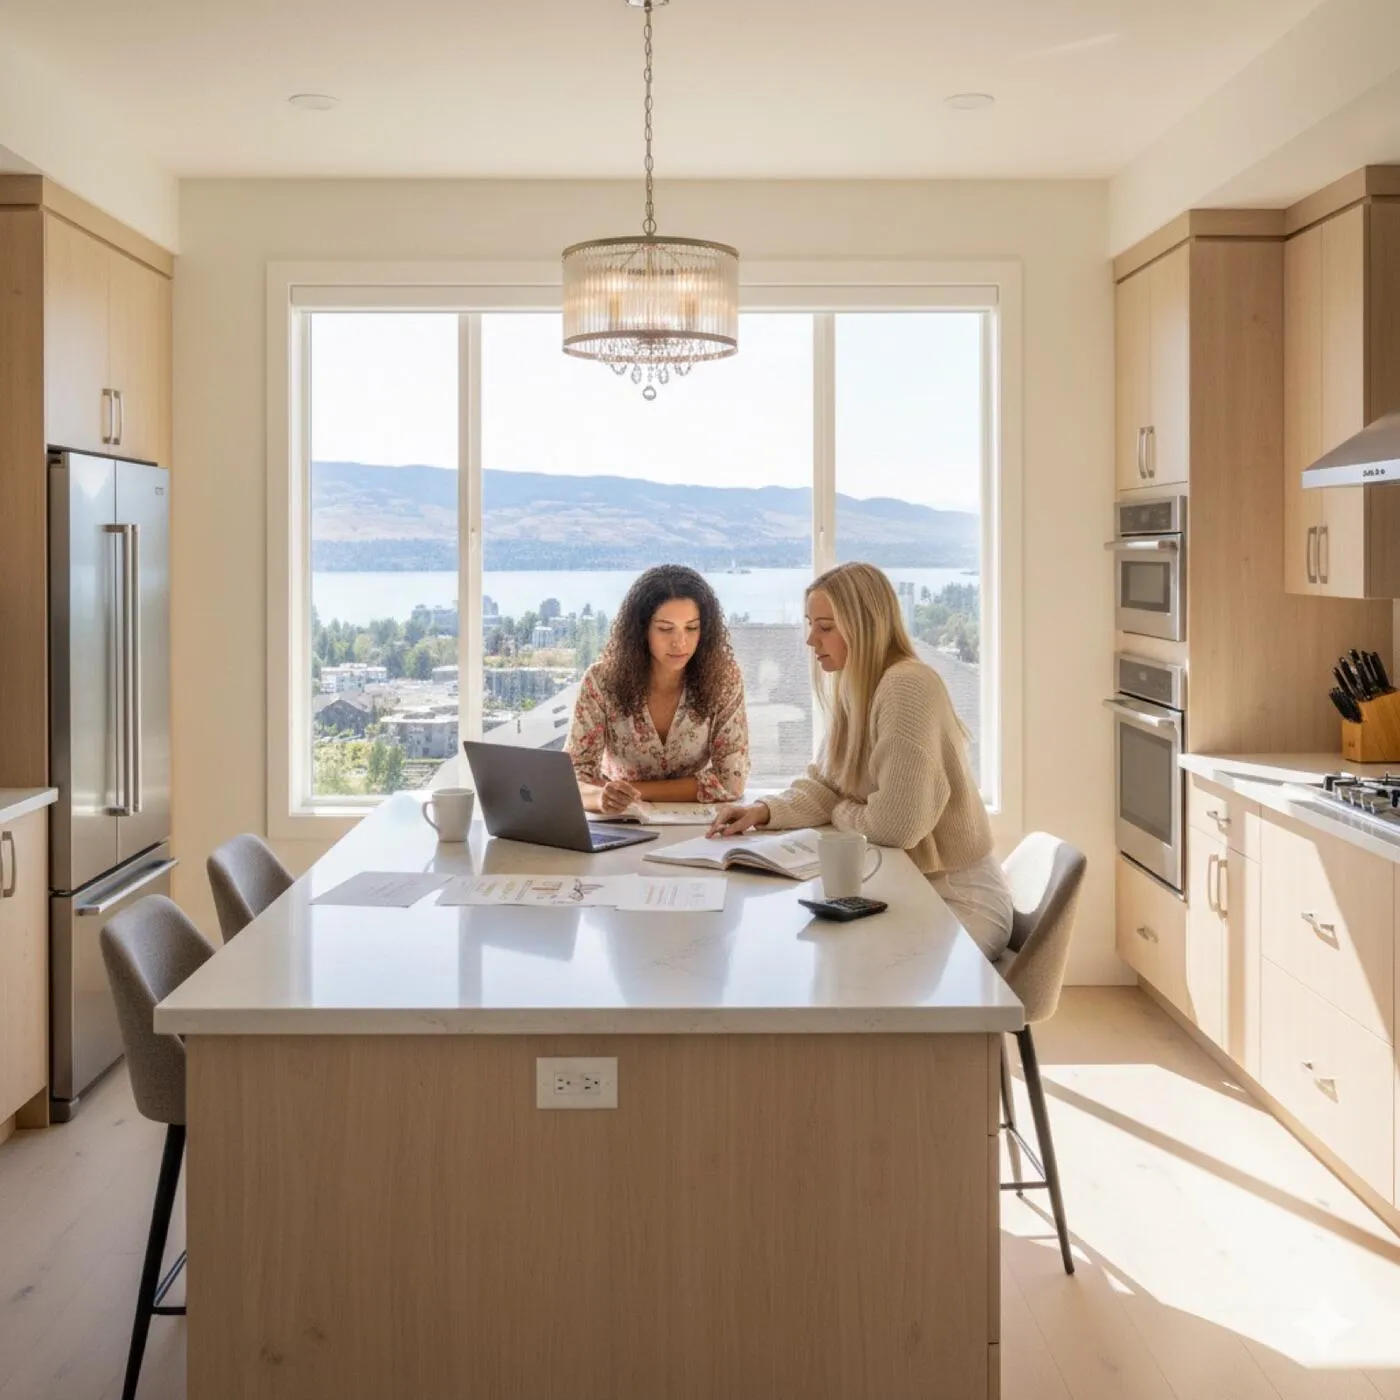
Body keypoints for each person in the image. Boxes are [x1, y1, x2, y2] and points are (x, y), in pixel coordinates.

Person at [709, 561, 1012, 960]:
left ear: (864, 626)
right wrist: (763, 811)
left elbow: (894, 826)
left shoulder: (908, 686)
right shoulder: (857, 686)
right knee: (821, 955)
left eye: (826, 627)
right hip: (911, 889)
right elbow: (827, 784)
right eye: (810, 624)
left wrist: (840, 810)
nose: (810, 640)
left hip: (958, 900)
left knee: (846, 962)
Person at [567, 564, 750, 816]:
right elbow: (572, 776)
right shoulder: (601, 681)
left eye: (692, 627)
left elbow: (731, 780)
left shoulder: (724, 679)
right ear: (641, 629)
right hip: (621, 822)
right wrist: (601, 798)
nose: (680, 642)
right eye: (665, 629)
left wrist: (629, 791)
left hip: (695, 828)